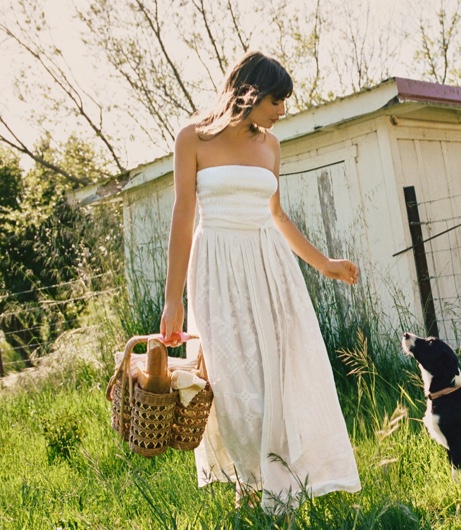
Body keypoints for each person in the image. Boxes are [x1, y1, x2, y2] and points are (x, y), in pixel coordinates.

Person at [160, 51, 361, 511]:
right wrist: (173, 300)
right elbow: (183, 215)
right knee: (235, 382)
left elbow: (277, 214)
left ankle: (282, 487)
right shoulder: (192, 138)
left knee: (283, 374)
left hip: (271, 269)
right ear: (249, 92)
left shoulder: (271, 145)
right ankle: (249, 485)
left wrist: (323, 263)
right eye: (277, 99)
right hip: (217, 269)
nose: (283, 110)